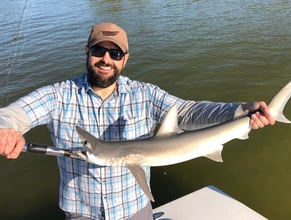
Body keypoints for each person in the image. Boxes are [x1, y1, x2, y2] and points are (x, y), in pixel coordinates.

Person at [0, 22, 275, 220]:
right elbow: (11, 115)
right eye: (99, 51)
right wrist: (5, 130)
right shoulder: (58, 95)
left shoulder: (145, 94)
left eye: (115, 53)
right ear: (87, 52)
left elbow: (187, 113)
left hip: (133, 208)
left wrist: (238, 112)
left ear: (125, 59)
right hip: (80, 211)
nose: (106, 59)